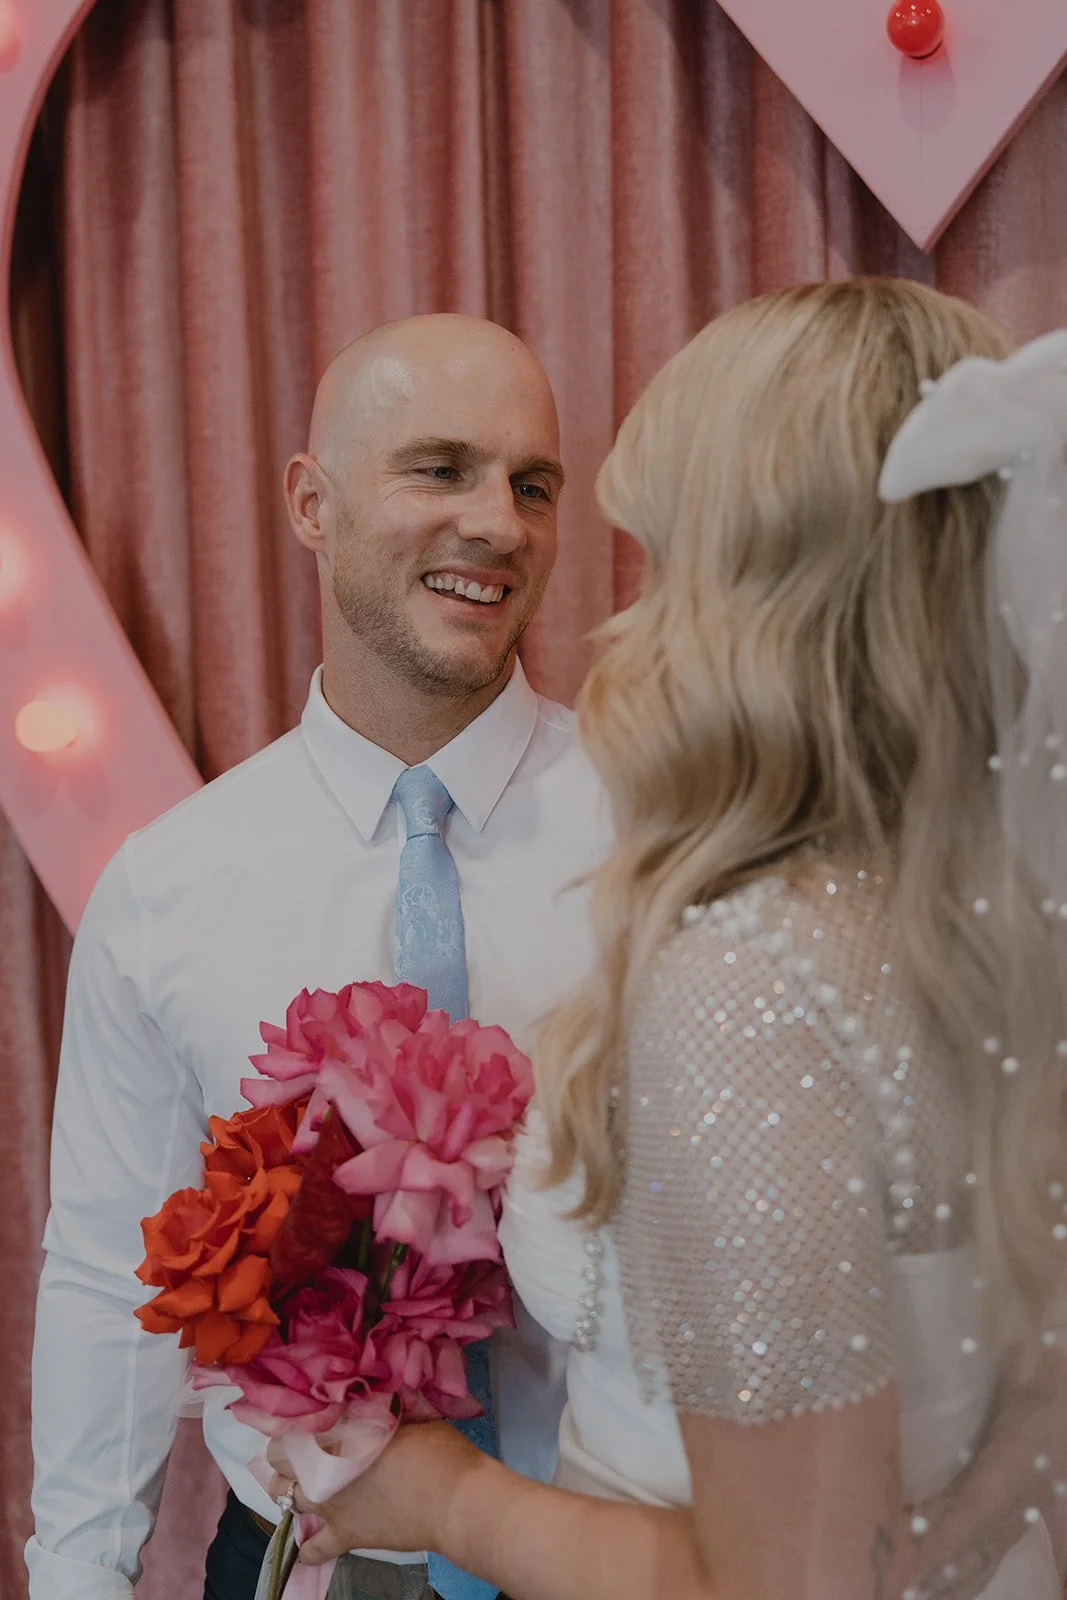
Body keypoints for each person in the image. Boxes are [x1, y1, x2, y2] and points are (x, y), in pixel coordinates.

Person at [270, 279, 1067, 1600]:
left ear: (757, 595)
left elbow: (791, 1588)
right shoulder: (992, 924)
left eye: (662, 556)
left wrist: (448, 1497)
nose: (625, 615)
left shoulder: (752, 979)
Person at [27, 313, 609, 1600]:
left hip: (617, 1551)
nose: (497, 526)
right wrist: (77, 1576)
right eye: (439, 469)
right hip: (300, 1565)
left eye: (532, 485)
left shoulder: (656, 833)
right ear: (311, 503)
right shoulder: (169, 886)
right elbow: (104, 1267)